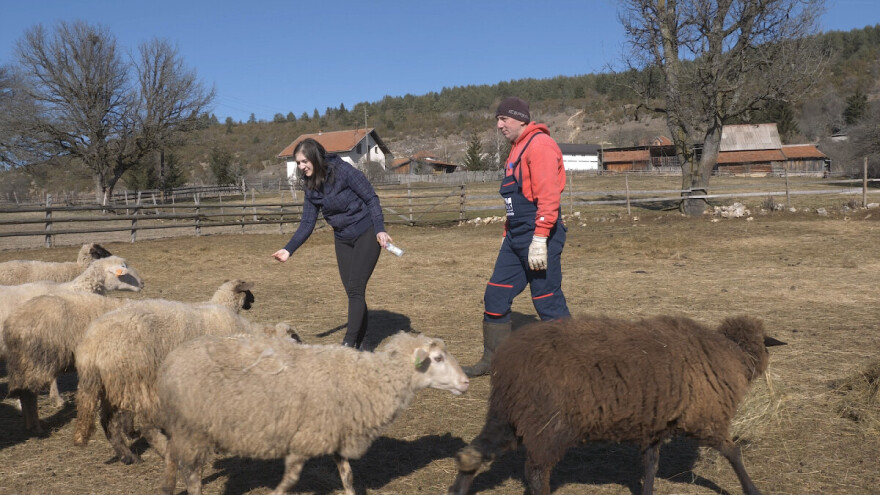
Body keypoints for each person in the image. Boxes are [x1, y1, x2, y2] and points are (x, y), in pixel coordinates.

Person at [462, 97, 571, 377]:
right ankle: (493, 361)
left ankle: (573, 364)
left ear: (521, 119)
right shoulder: (515, 150)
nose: (499, 125)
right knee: (496, 295)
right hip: (515, 237)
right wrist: (506, 234)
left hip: (541, 234)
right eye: (497, 120)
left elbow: (549, 197)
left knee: (546, 299)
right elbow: (514, 202)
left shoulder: (540, 146)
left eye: (504, 119)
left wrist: (540, 239)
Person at [272, 138, 393, 350]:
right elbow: (307, 222)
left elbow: (371, 198)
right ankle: (363, 342)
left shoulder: (343, 171)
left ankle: (348, 344)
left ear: (315, 157)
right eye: (298, 163)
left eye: (304, 161)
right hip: (342, 238)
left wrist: (380, 228)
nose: (301, 166)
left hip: (366, 231)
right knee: (353, 292)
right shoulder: (311, 186)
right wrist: (288, 249)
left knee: (355, 289)